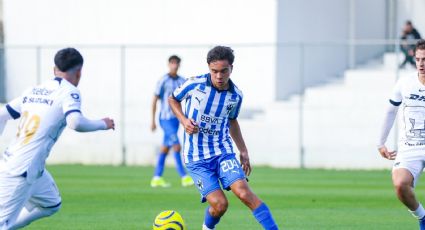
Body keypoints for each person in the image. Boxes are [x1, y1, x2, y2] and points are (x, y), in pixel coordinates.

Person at [0, 48, 115, 229]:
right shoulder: (69, 92)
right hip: (20, 170)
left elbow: (1, 115)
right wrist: (103, 123)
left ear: (54, 69)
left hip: (26, 166)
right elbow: (75, 122)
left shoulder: (33, 90)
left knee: (51, 203)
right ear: (79, 72)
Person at [169, 46, 278, 230]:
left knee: (244, 194)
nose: (219, 76)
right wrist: (184, 120)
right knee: (220, 205)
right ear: (209, 68)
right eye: (214, 71)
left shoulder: (236, 96)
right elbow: (173, 99)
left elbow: (233, 121)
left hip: (223, 152)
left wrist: (243, 150)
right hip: (196, 158)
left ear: (231, 69)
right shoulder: (194, 84)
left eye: (223, 71)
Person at [378, 39, 425, 229]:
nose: (421, 64)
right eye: (418, 59)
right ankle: (423, 218)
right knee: (400, 184)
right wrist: (380, 143)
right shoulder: (405, 83)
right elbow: (390, 111)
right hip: (410, 147)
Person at [150, 55, 194, 188]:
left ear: (179, 65)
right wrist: (152, 120)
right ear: (169, 64)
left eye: (176, 63)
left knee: (165, 147)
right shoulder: (163, 80)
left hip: (177, 119)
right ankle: (184, 176)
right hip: (165, 118)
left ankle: (156, 177)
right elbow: (155, 99)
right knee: (176, 145)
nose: (174, 65)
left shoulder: (182, 80)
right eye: (172, 63)